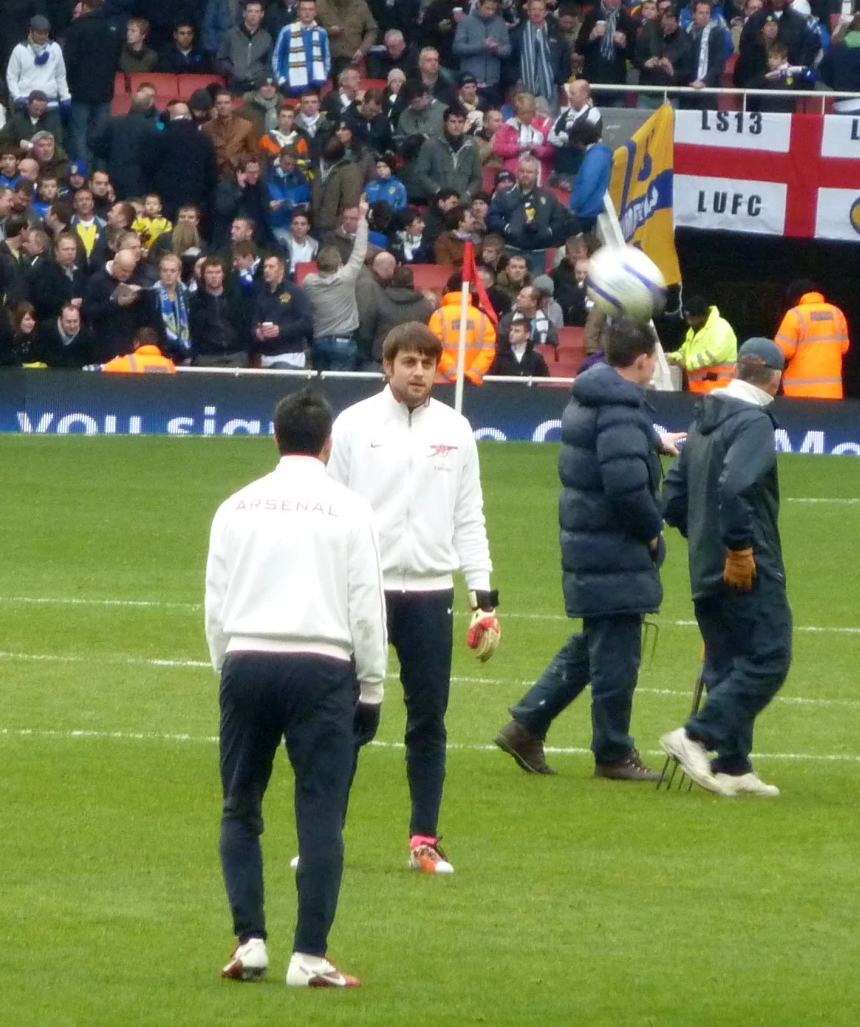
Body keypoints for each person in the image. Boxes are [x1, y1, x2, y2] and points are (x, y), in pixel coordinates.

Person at [207, 385, 387, 990]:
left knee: (240, 804)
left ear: (275, 437)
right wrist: (373, 687)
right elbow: (367, 607)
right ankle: (309, 955)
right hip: (322, 666)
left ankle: (250, 940)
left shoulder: (235, 506)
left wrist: (225, 670)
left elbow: (215, 604)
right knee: (319, 815)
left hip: (248, 659)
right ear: (329, 445)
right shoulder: (350, 510)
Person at [326, 321, 497, 875]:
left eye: (428, 362)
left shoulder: (457, 429)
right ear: (388, 366)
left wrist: (484, 594)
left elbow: (469, 515)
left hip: (429, 594)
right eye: (409, 362)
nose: (420, 372)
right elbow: (331, 511)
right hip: (364, 594)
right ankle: (325, 836)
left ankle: (424, 839)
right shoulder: (352, 425)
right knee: (346, 717)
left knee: (428, 720)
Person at [495, 317, 671, 780]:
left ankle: (526, 726)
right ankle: (613, 753)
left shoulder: (592, 392)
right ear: (643, 360)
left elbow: (612, 447)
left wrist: (653, 441)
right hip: (611, 544)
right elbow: (627, 486)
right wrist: (653, 532)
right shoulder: (621, 406)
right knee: (617, 654)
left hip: (588, 537)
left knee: (594, 643)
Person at [659, 336, 793, 798]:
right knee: (770, 658)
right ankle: (697, 736)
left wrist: (704, 537)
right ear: (775, 378)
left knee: (726, 661)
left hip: (703, 567)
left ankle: (733, 765)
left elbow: (673, 497)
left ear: (738, 370)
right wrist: (737, 546)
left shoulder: (703, 421)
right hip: (748, 566)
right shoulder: (753, 422)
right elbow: (736, 484)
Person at [773, 283, 849, 400]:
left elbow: (782, 351)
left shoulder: (795, 314)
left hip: (799, 393)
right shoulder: (837, 313)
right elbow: (844, 347)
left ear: (797, 298)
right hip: (832, 392)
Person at [676, 295, 738, 393]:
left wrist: (686, 363)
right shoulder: (694, 330)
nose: (689, 322)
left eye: (692, 318)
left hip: (719, 391)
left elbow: (713, 355)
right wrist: (672, 357)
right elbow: (685, 350)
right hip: (699, 391)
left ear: (703, 316)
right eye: (687, 318)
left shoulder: (721, 328)